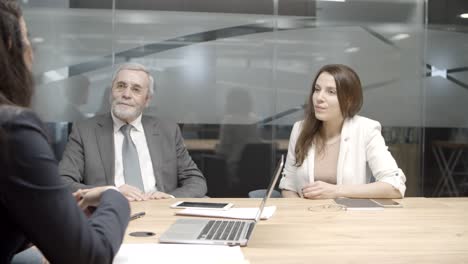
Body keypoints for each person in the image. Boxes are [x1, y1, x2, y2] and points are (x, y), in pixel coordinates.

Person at [0, 1, 130, 263]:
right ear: (10, 47)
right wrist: (116, 197)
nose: (32, 55)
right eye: (28, 43)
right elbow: (88, 258)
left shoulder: (166, 131)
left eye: (136, 90)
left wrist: (50, 212)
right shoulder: (13, 130)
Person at [59, 62, 207, 201]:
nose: (126, 94)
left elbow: (196, 181)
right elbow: (63, 182)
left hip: (160, 213)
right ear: (112, 92)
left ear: (147, 99)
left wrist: (169, 199)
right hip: (108, 212)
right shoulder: (85, 131)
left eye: (136, 89)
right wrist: (110, 192)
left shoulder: (167, 130)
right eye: (121, 86)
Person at [279, 64, 406, 199]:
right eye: (317, 89)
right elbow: (288, 185)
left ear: (349, 100)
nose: (319, 97)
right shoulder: (300, 129)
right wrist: (301, 213)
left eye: (331, 92)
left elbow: (394, 186)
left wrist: (336, 191)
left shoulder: (366, 129)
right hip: (307, 216)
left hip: (349, 217)